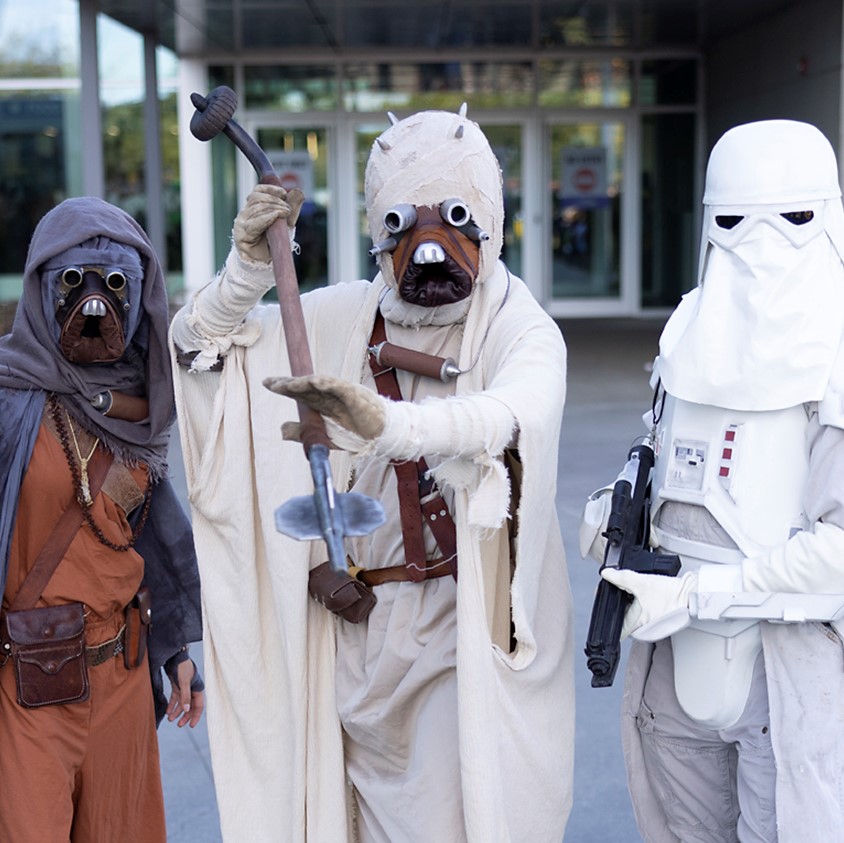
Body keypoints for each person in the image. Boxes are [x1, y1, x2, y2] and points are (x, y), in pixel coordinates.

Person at [170, 108, 573, 842]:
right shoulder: (345, 319)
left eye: (452, 218)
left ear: (489, 218)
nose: (427, 249)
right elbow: (200, 352)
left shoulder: (517, 324)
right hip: (352, 638)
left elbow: (517, 412)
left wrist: (396, 427)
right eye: (403, 222)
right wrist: (246, 272)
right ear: (376, 231)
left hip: (458, 637)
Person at [581, 119, 844, 842]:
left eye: (787, 219)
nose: (757, 242)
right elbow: (663, 449)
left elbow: (839, 550)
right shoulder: (690, 326)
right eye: (733, 220)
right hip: (674, 659)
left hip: (785, 663)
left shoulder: (836, 350)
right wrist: (615, 506)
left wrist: (705, 592)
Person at [0, 197, 205, 843]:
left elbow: (151, 534)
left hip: (119, 675)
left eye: (113, 284)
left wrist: (174, 649)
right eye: (74, 282)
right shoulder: (7, 398)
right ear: (43, 291)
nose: (94, 303)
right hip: (26, 684)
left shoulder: (142, 414)